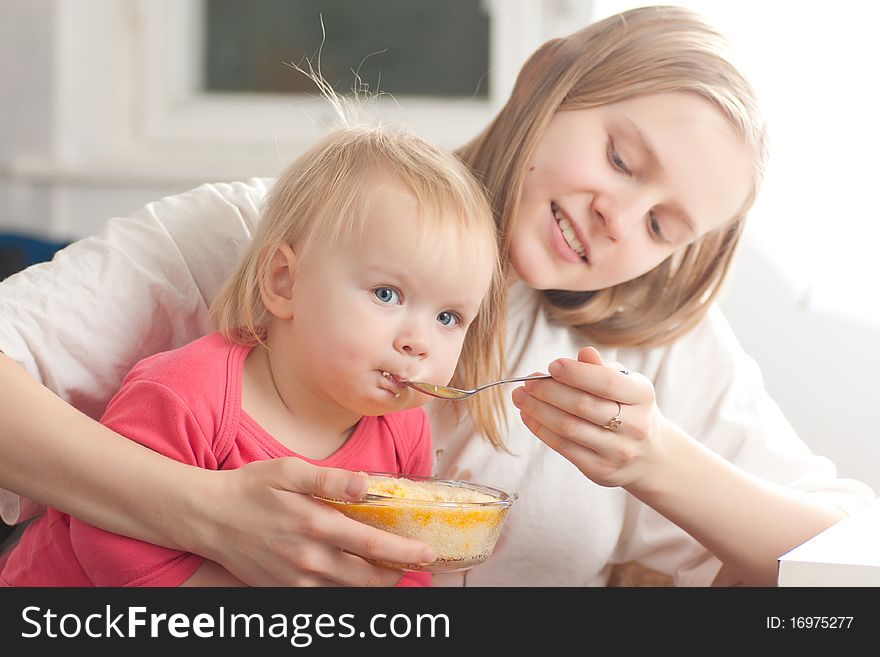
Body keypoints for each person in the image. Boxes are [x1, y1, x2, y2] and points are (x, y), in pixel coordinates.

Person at [0, 5, 874, 588]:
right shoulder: (269, 235)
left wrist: (658, 463)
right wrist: (207, 515)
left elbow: (852, 574)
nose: (619, 220)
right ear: (541, 83)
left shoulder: (654, 352)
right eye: (619, 158)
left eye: (661, 228)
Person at [0, 124, 503, 586]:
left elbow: (410, 559)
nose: (420, 342)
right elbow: (105, 540)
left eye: (448, 318)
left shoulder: (403, 431)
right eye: (387, 294)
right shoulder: (186, 393)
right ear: (284, 281)